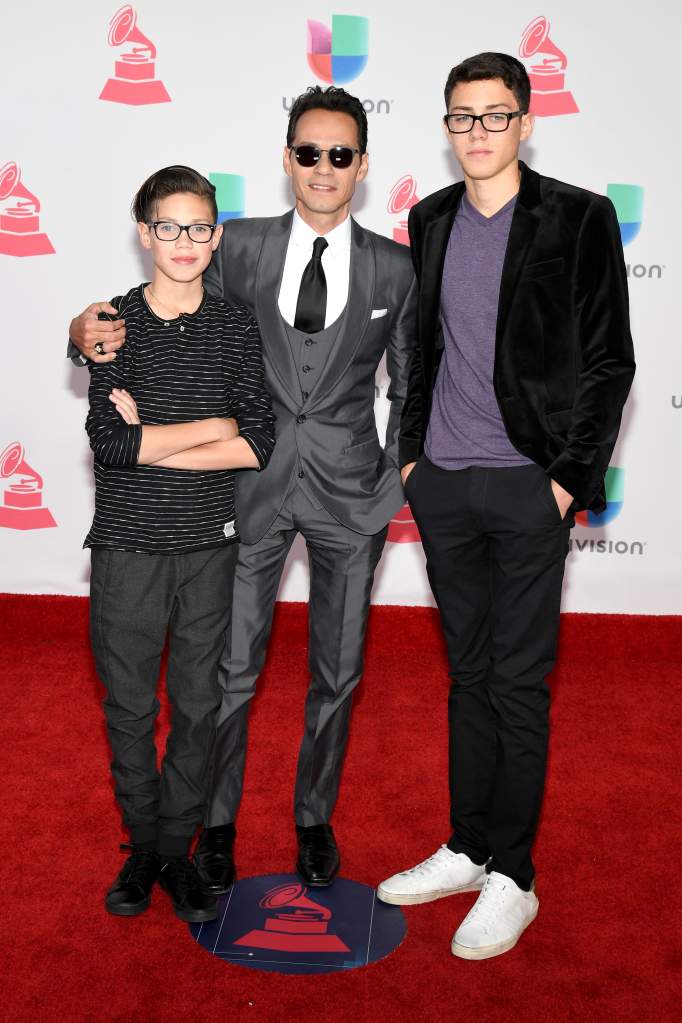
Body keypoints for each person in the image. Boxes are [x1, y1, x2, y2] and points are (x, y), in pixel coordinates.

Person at [69, 87, 417, 890]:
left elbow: (411, 381)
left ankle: (313, 818)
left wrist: (395, 480)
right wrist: (77, 333)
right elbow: (161, 306)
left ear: (361, 165)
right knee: (226, 668)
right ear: (287, 158)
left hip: (351, 497)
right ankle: (213, 825)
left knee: (340, 669)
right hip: (244, 493)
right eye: (308, 152)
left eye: (339, 154)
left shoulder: (397, 266)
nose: (323, 167)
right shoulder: (238, 247)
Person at [377, 53, 635, 959]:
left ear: (526, 122)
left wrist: (564, 479)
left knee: (518, 685)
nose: (478, 133)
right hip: (444, 483)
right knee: (468, 675)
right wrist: (411, 458)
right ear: (446, 128)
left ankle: (513, 875)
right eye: (462, 118)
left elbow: (610, 361)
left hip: (530, 485)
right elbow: (420, 348)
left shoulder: (579, 215)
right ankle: (468, 841)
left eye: (495, 116)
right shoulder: (431, 215)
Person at [83, 165, 274, 922]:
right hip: (127, 548)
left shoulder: (235, 326)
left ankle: (175, 846)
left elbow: (257, 441)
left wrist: (157, 436)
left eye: (199, 227)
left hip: (208, 547)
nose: (185, 241)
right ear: (144, 233)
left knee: (198, 705)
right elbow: (110, 446)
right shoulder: (111, 324)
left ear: (217, 235)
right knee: (130, 706)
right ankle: (144, 849)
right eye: (169, 226)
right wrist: (211, 428)